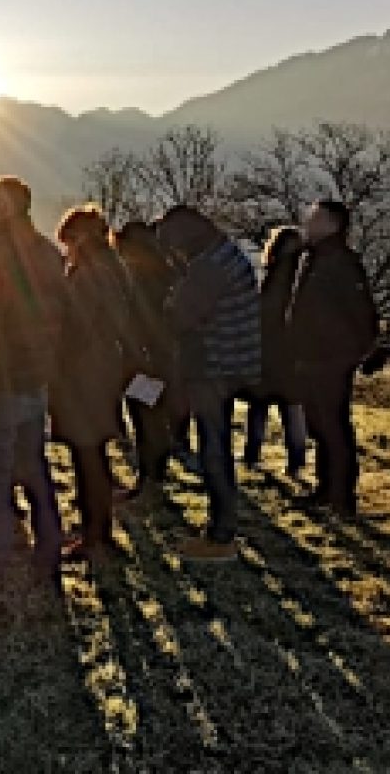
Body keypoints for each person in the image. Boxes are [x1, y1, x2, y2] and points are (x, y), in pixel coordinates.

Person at [0, 176, 68, 583]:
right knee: (33, 465)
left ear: (5, 208)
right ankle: (48, 544)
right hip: (37, 376)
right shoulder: (49, 252)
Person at [158, 205, 262, 562]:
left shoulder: (207, 268)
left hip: (212, 364)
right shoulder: (228, 254)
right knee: (216, 444)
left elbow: (179, 315)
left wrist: (171, 299)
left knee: (213, 448)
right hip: (233, 361)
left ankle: (220, 536)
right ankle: (222, 528)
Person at [288, 201, 380, 518]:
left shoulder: (341, 262)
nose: (306, 223)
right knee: (319, 427)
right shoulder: (313, 258)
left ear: (331, 223)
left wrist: (361, 351)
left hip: (330, 359)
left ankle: (342, 497)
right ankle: (325, 489)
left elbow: (361, 311)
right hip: (310, 357)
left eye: (313, 218)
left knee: (334, 427)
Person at [52, 206, 132, 563]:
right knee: (95, 455)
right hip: (105, 371)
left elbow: (77, 328)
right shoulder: (115, 268)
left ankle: (94, 535)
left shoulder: (87, 275)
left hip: (82, 375)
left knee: (87, 457)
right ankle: (99, 531)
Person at [112, 221, 181, 514]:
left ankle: (149, 482)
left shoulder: (140, 278)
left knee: (145, 422)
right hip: (162, 360)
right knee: (154, 421)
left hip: (143, 360)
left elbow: (137, 320)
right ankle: (152, 479)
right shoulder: (168, 272)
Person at [245, 226, 309, 475]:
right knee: (291, 407)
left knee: (259, 405)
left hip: (267, 350)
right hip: (291, 352)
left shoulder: (271, 276)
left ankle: (253, 454)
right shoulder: (304, 275)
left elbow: (264, 313)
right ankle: (296, 458)